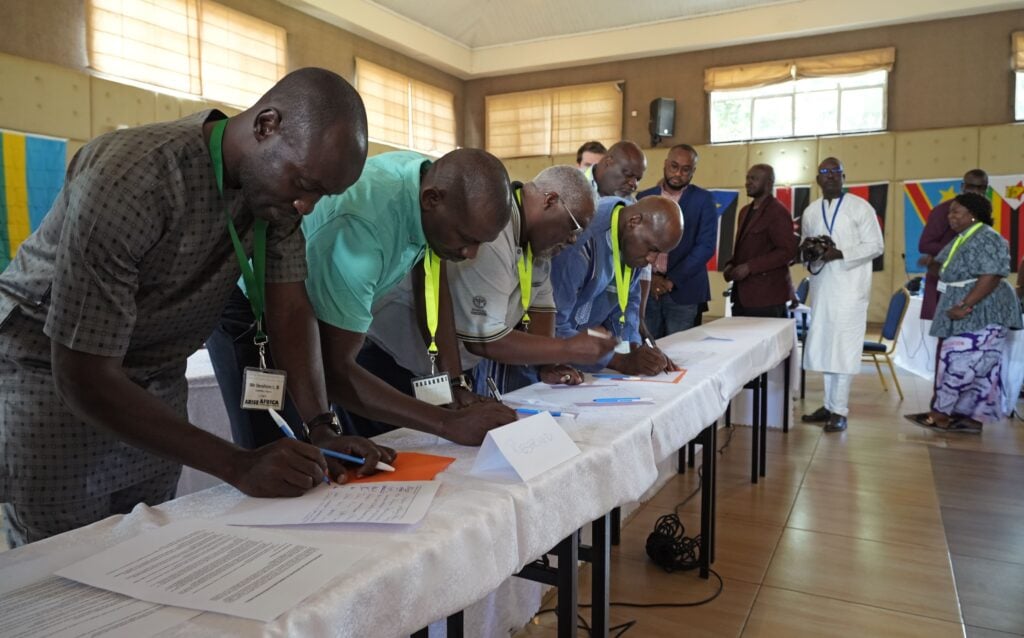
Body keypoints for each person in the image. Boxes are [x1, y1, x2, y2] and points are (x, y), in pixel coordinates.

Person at [0, 68, 394, 547]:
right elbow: (81, 374)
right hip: (49, 376)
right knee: (63, 558)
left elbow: (290, 309)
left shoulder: (277, 198)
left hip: (156, 378)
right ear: (266, 125)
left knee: (146, 541)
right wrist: (237, 464)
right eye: (304, 184)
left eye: (321, 195)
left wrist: (321, 427)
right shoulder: (130, 178)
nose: (306, 206)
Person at [209, 149, 518, 448]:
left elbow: (431, 281)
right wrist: (446, 423)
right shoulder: (362, 231)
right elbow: (335, 370)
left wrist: (454, 382)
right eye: (466, 239)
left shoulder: (424, 182)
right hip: (252, 311)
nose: (470, 254)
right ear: (431, 200)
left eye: (481, 243)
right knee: (276, 452)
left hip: (305, 308)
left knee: (315, 446)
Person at [362, 166, 616, 415]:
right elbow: (484, 341)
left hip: (441, 372)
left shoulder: (537, 246)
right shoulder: (495, 227)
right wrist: (567, 348)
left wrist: (549, 363)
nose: (573, 239)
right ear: (550, 200)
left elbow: (542, 309)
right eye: (574, 226)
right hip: (391, 359)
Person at [908, 193, 1022, 433]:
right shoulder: (963, 237)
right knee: (980, 366)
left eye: (956, 211)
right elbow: (947, 269)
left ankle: (940, 414)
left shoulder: (988, 237)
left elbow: (992, 275)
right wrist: (932, 264)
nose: (950, 216)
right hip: (968, 305)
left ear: (973, 215)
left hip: (984, 310)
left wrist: (965, 305)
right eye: (950, 211)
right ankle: (969, 419)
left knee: (958, 360)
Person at [552, 196, 683, 375]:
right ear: (634, 222)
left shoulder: (630, 232)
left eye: (659, 253)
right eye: (653, 249)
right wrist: (619, 361)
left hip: (578, 355)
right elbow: (553, 327)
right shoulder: (580, 242)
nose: (652, 260)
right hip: (545, 361)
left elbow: (628, 301)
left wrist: (636, 351)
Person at [799, 157, 885, 433]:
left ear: (844, 177)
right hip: (823, 288)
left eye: (836, 171)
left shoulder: (861, 207)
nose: (831, 175)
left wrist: (841, 253)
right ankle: (828, 405)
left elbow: (876, 245)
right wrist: (809, 252)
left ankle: (840, 411)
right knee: (827, 346)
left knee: (844, 349)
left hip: (850, 289)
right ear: (817, 179)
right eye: (825, 171)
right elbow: (805, 248)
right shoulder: (811, 211)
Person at [637, 143, 718, 335]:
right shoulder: (644, 197)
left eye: (686, 169)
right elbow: (636, 241)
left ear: (693, 172)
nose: (678, 173)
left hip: (685, 290)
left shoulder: (703, 200)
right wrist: (651, 278)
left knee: (680, 349)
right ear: (665, 164)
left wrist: (671, 281)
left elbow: (705, 246)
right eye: (674, 166)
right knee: (648, 346)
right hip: (648, 288)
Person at [724, 164, 798, 317]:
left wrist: (750, 267)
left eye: (754, 179)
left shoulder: (777, 212)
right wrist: (730, 265)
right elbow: (744, 249)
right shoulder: (745, 211)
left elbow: (787, 251)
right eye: (747, 178)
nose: (748, 182)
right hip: (741, 296)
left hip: (767, 298)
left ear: (769, 183)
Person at [918, 170, 989, 320]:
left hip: (972, 282)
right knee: (944, 328)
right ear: (963, 187)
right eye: (971, 186)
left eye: (981, 187)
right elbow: (925, 245)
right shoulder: (944, 210)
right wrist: (960, 250)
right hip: (944, 280)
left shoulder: (983, 212)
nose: (976, 191)